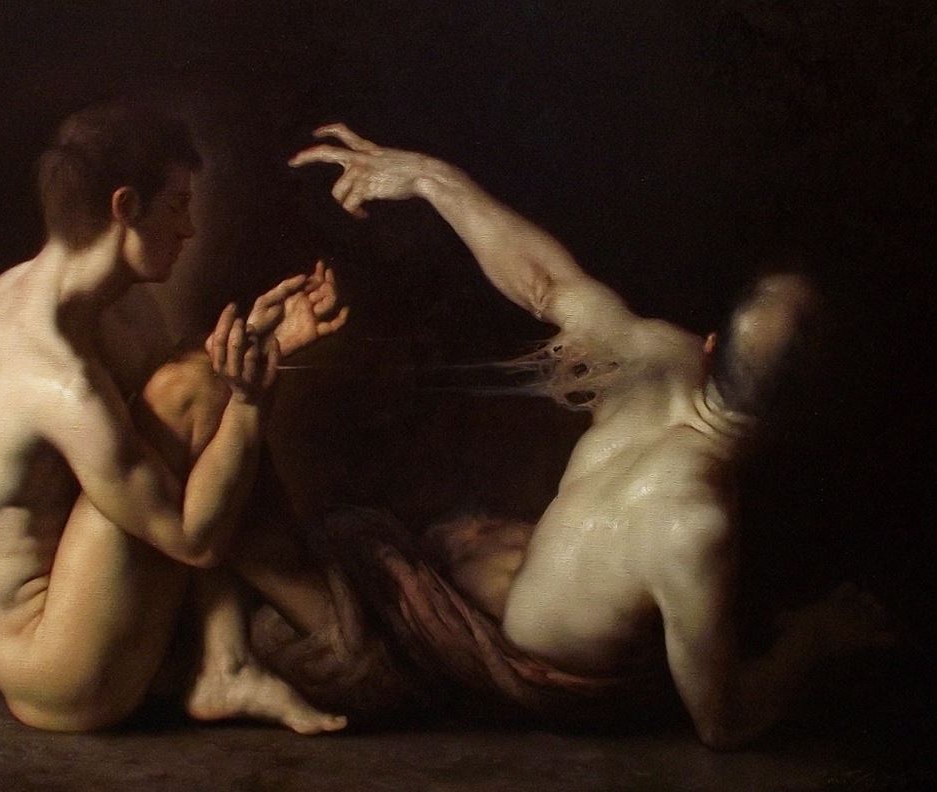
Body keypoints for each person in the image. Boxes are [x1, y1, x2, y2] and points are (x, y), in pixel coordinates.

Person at [290, 124, 894, 749]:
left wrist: (427, 176)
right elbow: (724, 722)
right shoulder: (696, 521)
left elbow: (545, 284)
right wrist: (815, 639)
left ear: (711, 348)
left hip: (498, 595)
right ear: (801, 420)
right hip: (500, 637)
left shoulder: (660, 355)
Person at [0, 102, 351, 734]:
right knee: (193, 387)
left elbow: (180, 437)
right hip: (59, 673)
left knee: (195, 373)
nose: (189, 230)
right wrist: (250, 400)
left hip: (75, 616)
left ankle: (222, 664)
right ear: (126, 207)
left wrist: (265, 344)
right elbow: (196, 540)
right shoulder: (51, 375)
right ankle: (226, 663)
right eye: (177, 206)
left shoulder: (74, 300)